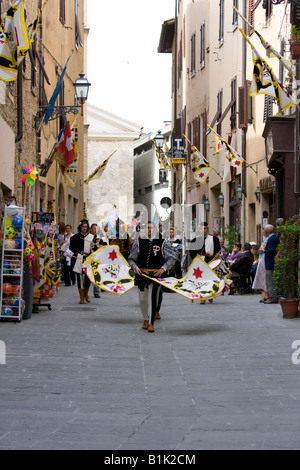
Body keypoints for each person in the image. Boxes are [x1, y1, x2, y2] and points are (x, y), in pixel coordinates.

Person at [128, 221, 178, 333]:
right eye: (147, 228)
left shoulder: (163, 242)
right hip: (141, 274)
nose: (149, 230)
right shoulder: (138, 242)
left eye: (151, 228)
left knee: (152, 298)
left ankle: (151, 322)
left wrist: (164, 268)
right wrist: (135, 267)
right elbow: (131, 258)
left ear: (156, 230)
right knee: (142, 299)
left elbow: (173, 256)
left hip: (156, 275)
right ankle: (145, 318)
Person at [189, 222, 221, 304]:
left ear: (207, 229)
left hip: (211, 261)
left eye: (205, 228)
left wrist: (217, 254)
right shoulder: (194, 240)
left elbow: (218, 250)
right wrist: (197, 258)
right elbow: (192, 253)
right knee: (201, 280)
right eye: (201, 228)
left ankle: (210, 295)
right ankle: (202, 296)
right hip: (200, 262)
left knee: (210, 279)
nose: (203, 230)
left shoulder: (214, 239)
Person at [69, 220, 95, 304]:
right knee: (79, 278)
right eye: (83, 227)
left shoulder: (92, 237)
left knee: (87, 277)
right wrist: (79, 252)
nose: (84, 228)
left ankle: (86, 294)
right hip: (78, 258)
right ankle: (81, 297)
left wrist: (93, 246)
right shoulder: (75, 237)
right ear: (80, 227)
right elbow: (71, 247)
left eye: (86, 227)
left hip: (88, 258)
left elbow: (95, 249)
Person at [261, 224, 279, 304]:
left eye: (264, 230)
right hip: (271, 263)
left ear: (267, 231)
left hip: (270, 263)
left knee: (270, 281)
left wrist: (264, 250)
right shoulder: (273, 238)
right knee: (270, 280)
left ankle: (272, 298)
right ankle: (272, 296)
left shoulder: (271, 239)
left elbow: (271, 252)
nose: (263, 231)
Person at [252, 236, 269, 303]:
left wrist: (260, 250)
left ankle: (266, 295)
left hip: (263, 260)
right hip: (262, 259)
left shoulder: (266, 240)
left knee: (263, 278)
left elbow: (261, 250)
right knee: (262, 278)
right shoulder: (266, 239)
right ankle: (265, 295)